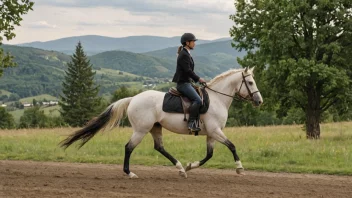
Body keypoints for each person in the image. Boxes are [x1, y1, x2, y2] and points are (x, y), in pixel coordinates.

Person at [172, 33, 206, 132]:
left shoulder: (186, 53)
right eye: (193, 41)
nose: (194, 43)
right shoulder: (183, 55)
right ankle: (191, 123)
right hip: (183, 84)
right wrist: (199, 79)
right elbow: (188, 71)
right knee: (198, 100)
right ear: (187, 43)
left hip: (187, 82)